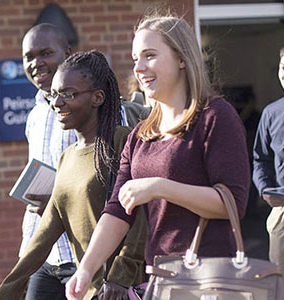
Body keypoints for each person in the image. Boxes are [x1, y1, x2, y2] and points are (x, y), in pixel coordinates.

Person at [65, 13, 250, 300]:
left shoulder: (215, 116)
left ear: (182, 58)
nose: (138, 67)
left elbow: (231, 204)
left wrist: (159, 187)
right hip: (161, 279)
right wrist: (86, 269)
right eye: (135, 58)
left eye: (149, 55)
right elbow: (117, 211)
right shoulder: (140, 135)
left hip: (209, 280)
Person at [0, 50, 147, 300]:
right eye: (54, 95)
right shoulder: (67, 158)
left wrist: (121, 276)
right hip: (87, 290)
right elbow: (44, 235)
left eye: (68, 94)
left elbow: (142, 217)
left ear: (97, 97)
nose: (57, 102)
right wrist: (8, 290)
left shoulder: (123, 141)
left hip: (122, 290)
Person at [19, 23, 75, 300]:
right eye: (29, 57)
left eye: (45, 53)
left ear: (67, 53)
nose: (36, 63)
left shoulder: (90, 108)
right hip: (47, 256)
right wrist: (26, 255)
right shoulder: (35, 116)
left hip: (83, 255)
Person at [253, 39, 284, 300]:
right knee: (283, 292)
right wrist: (264, 190)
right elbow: (260, 159)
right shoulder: (271, 113)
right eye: (283, 68)